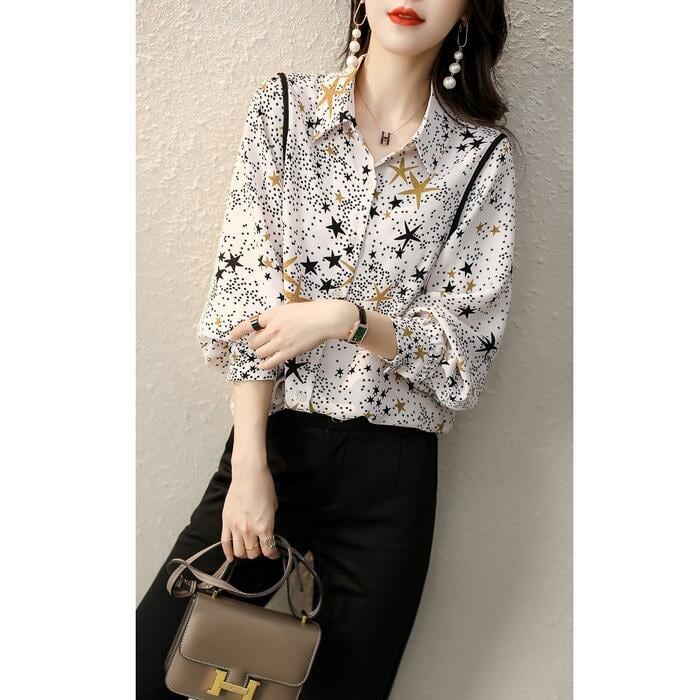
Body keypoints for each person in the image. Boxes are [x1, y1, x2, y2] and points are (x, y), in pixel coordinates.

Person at [136, 1, 517, 698]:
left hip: (391, 480)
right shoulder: (285, 110)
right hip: (274, 446)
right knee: (153, 670)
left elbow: (463, 356)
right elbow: (245, 297)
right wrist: (249, 465)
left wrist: (346, 319)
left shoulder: (480, 159)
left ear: (468, 10)